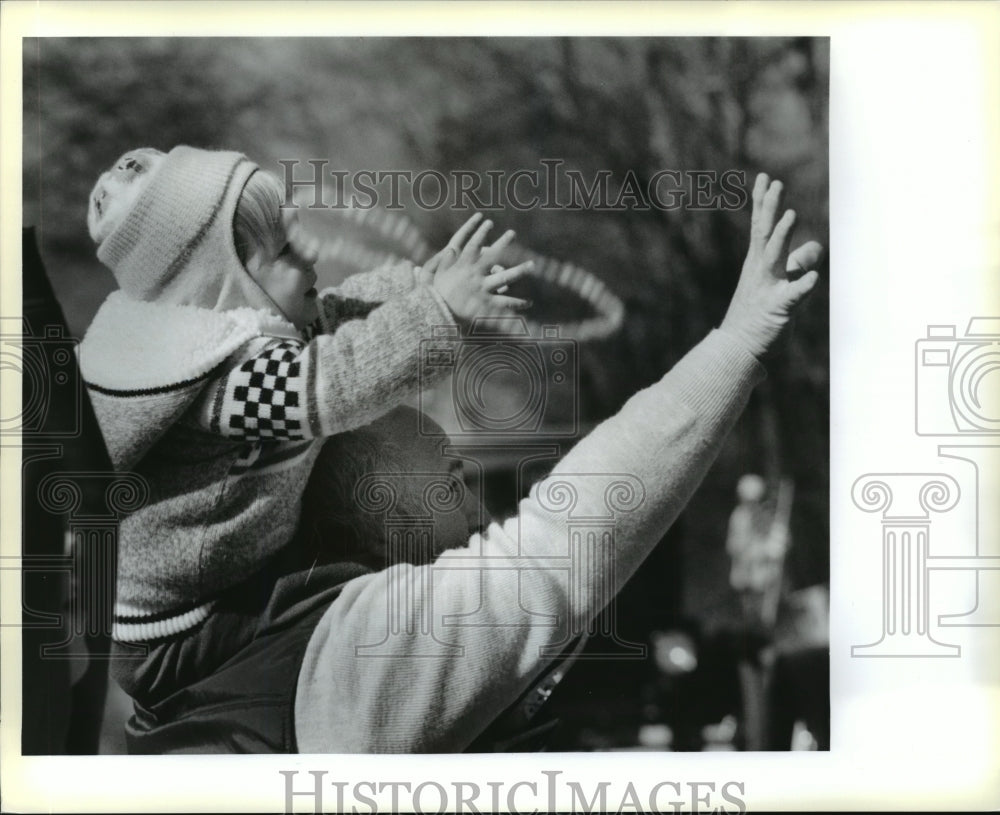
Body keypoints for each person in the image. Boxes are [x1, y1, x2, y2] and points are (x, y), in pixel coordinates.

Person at [108, 172, 823, 753]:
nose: (480, 516)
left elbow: (336, 317)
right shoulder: (354, 667)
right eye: (445, 478)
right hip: (178, 631)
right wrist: (737, 345)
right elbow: (554, 548)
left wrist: (424, 286)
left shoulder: (225, 359)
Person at [78, 145, 532, 646]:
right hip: (188, 626)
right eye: (286, 250)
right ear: (225, 281)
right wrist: (438, 311)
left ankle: (480, 584)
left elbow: (332, 317)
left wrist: (417, 286)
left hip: (251, 565)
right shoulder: (216, 380)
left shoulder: (242, 321)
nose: (312, 252)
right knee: (345, 655)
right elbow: (334, 379)